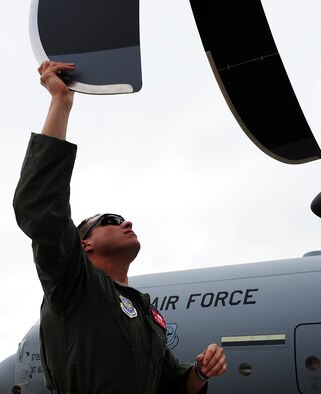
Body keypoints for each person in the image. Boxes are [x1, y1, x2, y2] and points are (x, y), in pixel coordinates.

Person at [13, 61, 227, 394]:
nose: (126, 222)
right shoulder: (75, 284)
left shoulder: (147, 313)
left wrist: (200, 372)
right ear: (84, 245)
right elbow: (41, 208)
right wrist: (60, 102)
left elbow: (172, 384)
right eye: (110, 221)